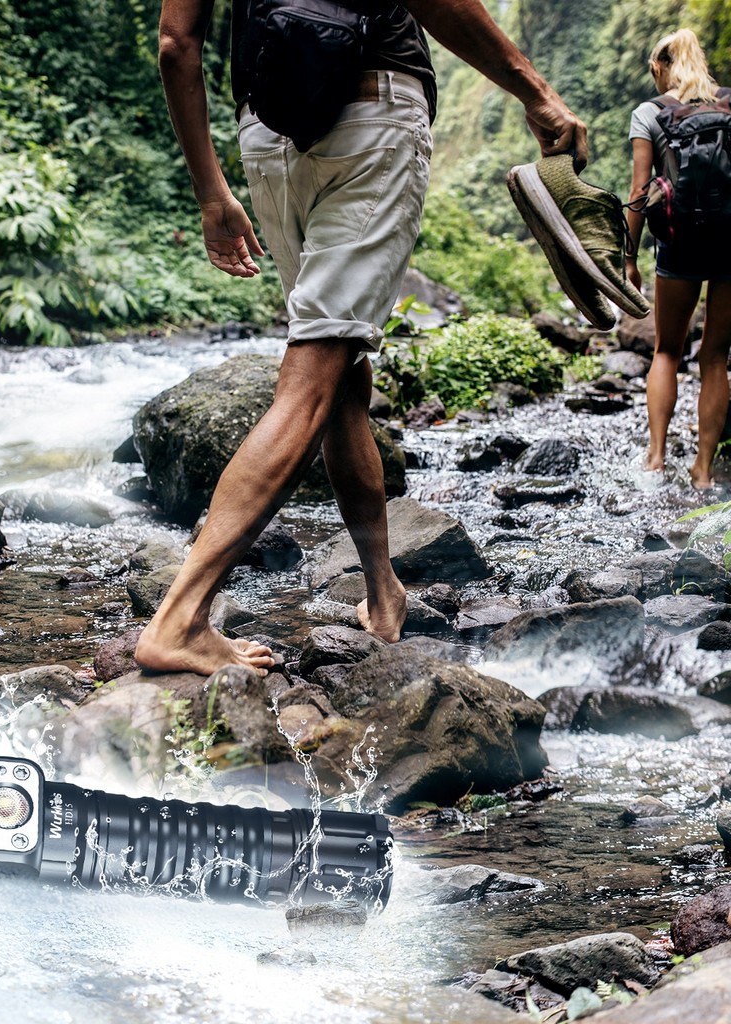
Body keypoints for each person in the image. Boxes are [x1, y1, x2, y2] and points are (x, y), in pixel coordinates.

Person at [134, 0, 587, 677]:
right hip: (371, 111)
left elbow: (177, 43)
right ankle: (180, 619)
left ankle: (381, 591)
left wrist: (210, 192)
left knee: (340, 374)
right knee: (313, 378)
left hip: (268, 131)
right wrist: (537, 93)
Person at [625, 28, 731, 490]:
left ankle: (655, 459)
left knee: (667, 351)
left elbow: (639, 191)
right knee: (716, 356)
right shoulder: (728, 105)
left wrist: (629, 258)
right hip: (730, 241)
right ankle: (703, 472)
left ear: (659, 67)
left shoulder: (650, 113)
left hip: (680, 240)